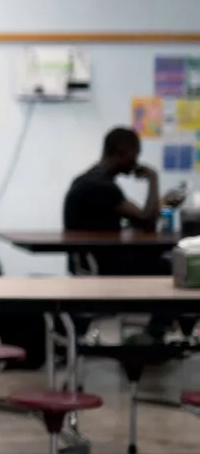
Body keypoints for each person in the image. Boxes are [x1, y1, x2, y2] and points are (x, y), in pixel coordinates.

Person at [63, 127, 190, 340]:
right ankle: (158, 335)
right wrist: (153, 177)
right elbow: (146, 220)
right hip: (106, 265)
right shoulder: (100, 186)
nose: (136, 162)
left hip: (96, 260)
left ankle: (162, 332)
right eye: (135, 154)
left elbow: (139, 219)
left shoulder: (90, 180)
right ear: (123, 151)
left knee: (169, 262)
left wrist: (162, 205)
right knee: (177, 269)